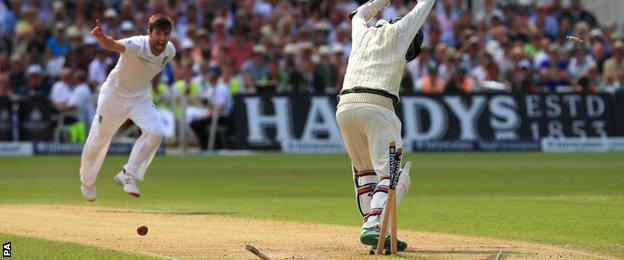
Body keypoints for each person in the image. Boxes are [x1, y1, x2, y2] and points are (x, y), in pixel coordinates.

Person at [336, 0, 434, 252]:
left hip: (345, 107)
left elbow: (359, 14)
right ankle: (374, 226)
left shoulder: (361, 32)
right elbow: (425, 5)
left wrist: (383, 0)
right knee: (394, 175)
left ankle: (376, 229)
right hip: (378, 107)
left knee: (364, 173)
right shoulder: (401, 32)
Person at [79, 14, 176, 201]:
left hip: (139, 98)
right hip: (114, 97)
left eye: (166, 33)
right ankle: (87, 181)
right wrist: (101, 37)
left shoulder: (169, 52)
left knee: (156, 132)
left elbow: (147, 73)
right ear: (149, 33)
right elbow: (112, 45)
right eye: (158, 33)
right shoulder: (136, 44)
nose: (162, 38)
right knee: (99, 139)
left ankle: (128, 174)